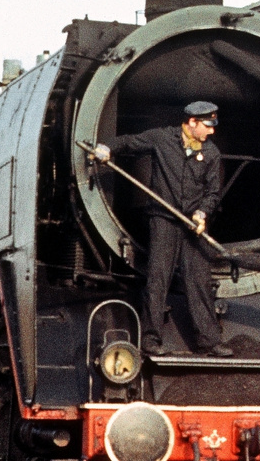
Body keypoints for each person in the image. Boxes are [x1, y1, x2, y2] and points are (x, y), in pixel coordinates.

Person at [92, 101, 233, 357]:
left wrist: (202, 213)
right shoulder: (161, 139)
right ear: (192, 122)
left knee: (199, 280)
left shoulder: (211, 153)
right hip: (163, 220)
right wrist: (105, 148)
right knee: (158, 280)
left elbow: (213, 192)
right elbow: (129, 141)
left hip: (194, 225)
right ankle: (151, 339)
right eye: (208, 126)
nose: (212, 131)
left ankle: (209, 341)